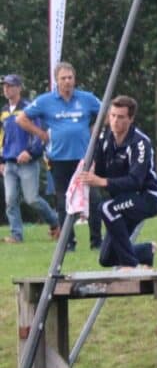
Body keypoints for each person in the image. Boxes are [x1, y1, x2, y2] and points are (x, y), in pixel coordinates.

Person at [17, 61, 102, 251]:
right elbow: (21, 118)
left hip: (84, 159)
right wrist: (40, 134)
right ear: (57, 81)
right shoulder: (46, 101)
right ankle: (68, 243)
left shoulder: (86, 99)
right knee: (64, 202)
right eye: (63, 78)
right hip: (59, 158)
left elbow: (106, 112)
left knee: (94, 199)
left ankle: (97, 241)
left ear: (75, 79)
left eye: (70, 78)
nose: (67, 82)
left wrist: (95, 130)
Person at [79, 95, 157, 268]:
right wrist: (93, 168)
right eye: (112, 115)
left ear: (131, 119)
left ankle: (130, 264)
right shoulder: (105, 139)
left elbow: (135, 180)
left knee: (106, 208)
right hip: (124, 199)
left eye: (121, 117)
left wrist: (102, 182)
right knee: (106, 258)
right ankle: (147, 251)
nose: (115, 121)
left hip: (146, 197)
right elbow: (101, 170)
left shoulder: (139, 143)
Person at [0, 74, 60, 244]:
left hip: (28, 162)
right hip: (9, 162)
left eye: (10, 86)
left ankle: (55, 222)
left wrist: (31, 152)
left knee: (32, 199)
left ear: (19, 88)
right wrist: (1, 160)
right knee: (10, 199)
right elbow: (1, 137)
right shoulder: (3, 111)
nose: (6, 89)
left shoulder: (29, 108)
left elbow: (40, 134)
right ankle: (16, 235)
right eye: (5, 86)